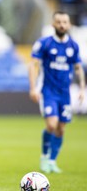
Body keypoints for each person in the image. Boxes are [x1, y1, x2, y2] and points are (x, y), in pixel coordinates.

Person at [29, 11, 85, 174]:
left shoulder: (73, 46)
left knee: (61, 128)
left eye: (65, 22)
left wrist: (82, 88)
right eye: (59, 22)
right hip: (48, 91)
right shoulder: (44, 44)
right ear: (53, 24)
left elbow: (78, 67)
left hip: (64, 94)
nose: (62, 25)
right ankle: (44, 156)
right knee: (52, 125)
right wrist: (33, 88)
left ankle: (52, 161)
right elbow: (33, 65)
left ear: (69, 24)